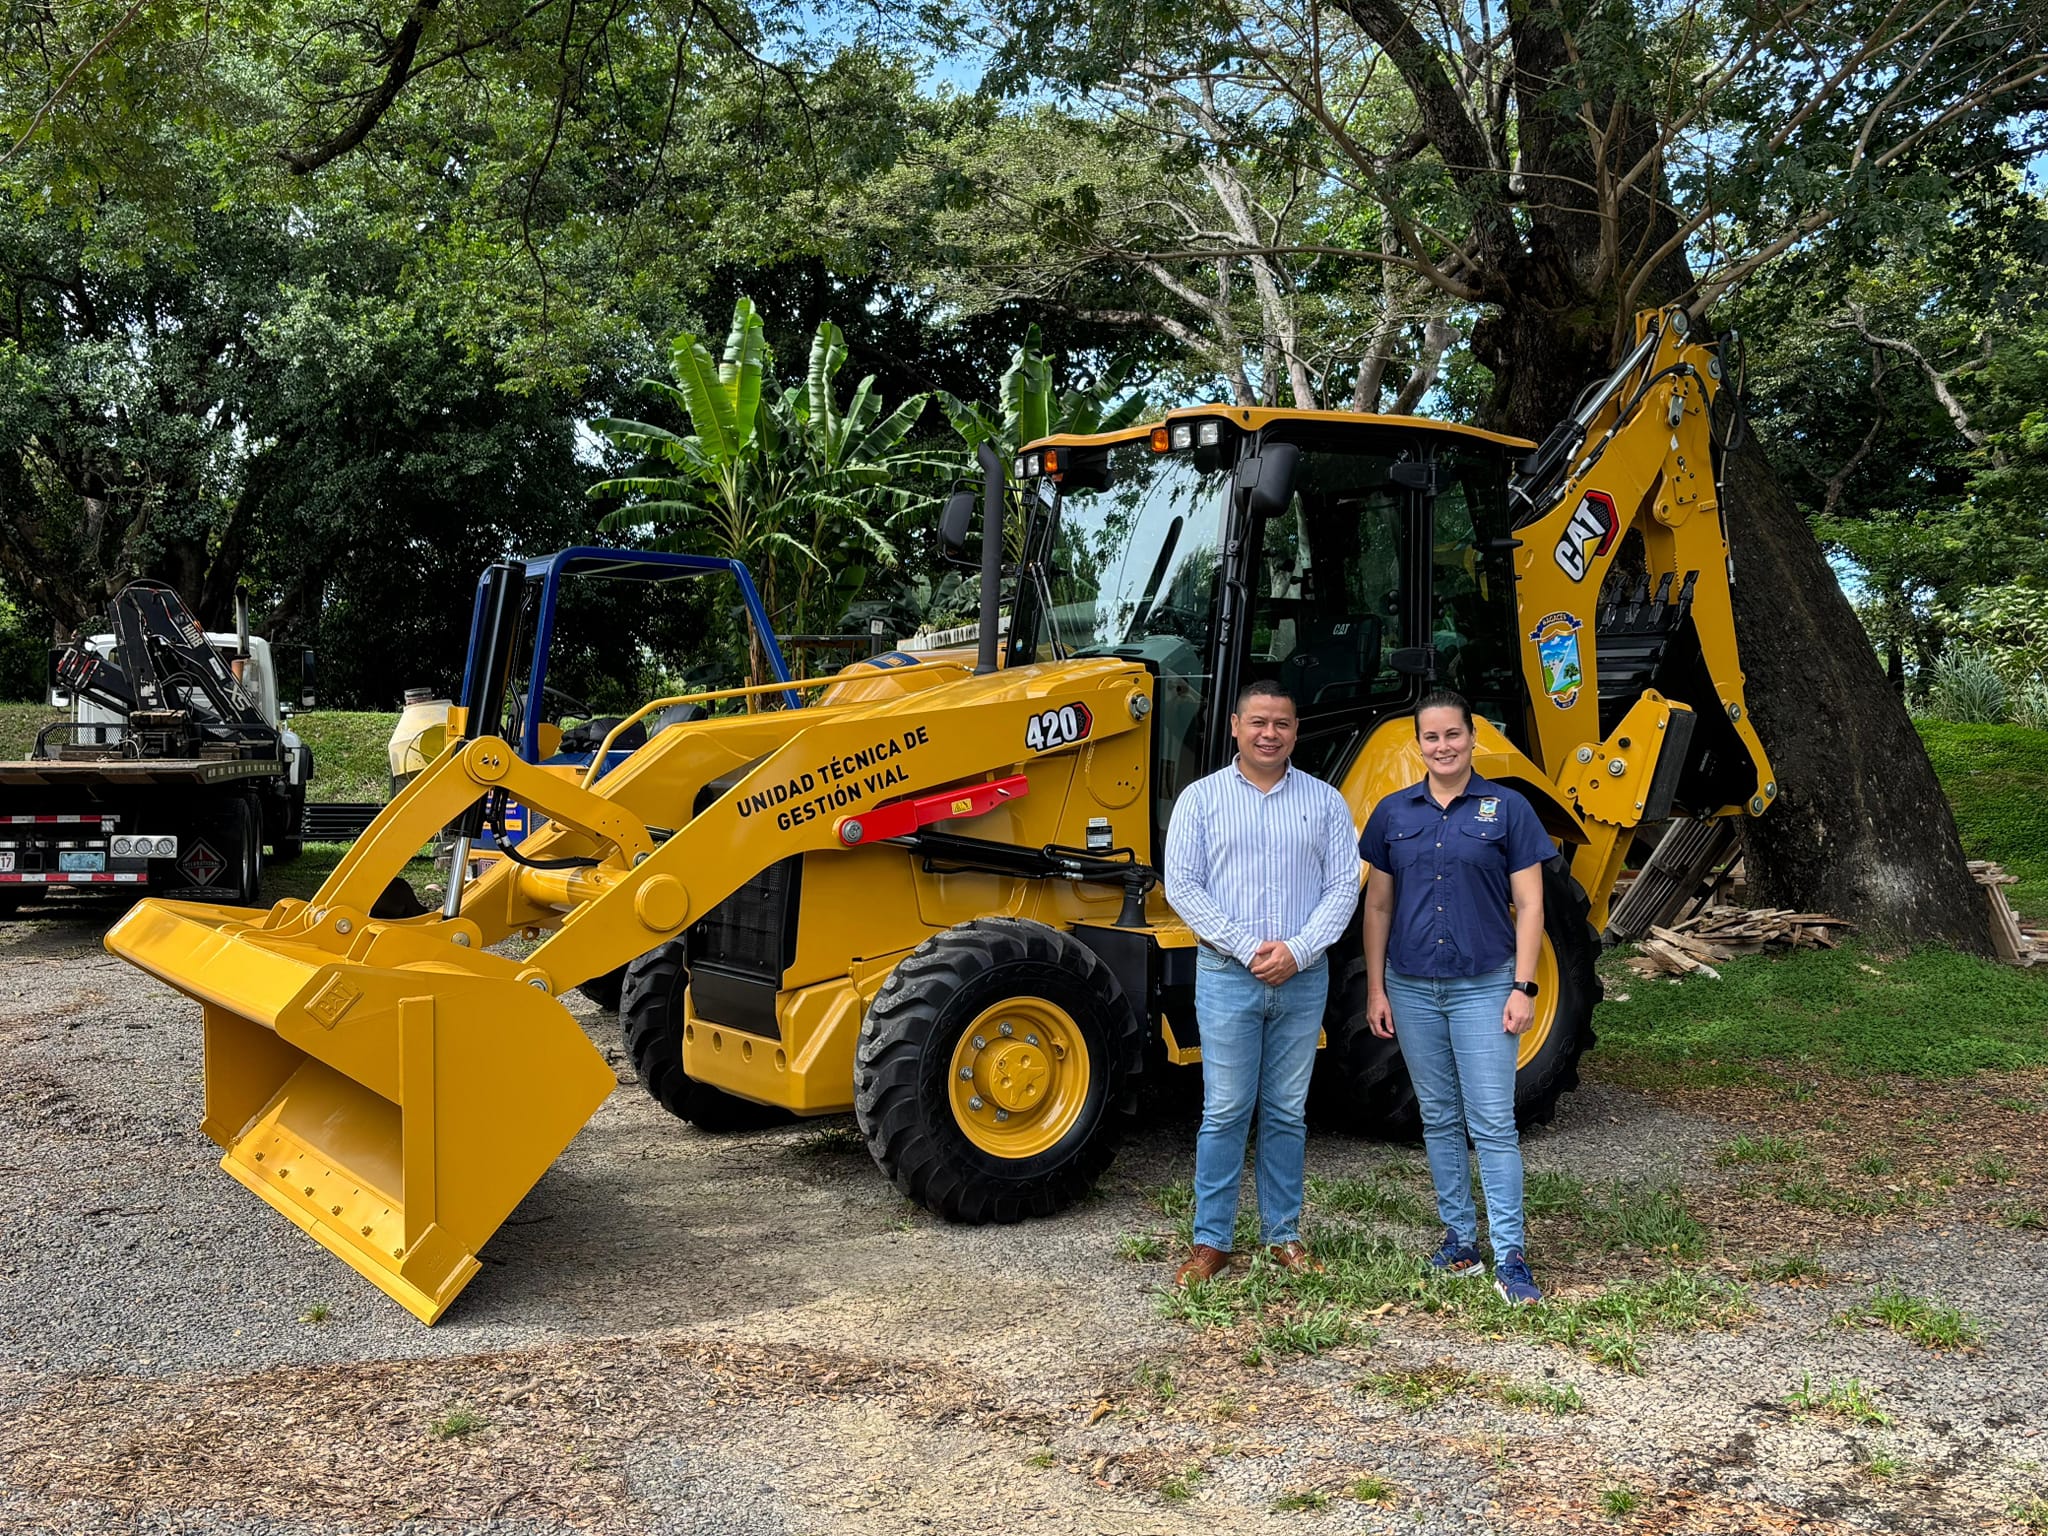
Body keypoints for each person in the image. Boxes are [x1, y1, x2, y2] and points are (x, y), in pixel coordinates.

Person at [1162, 679, 1361, 1286]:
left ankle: (1284, 1235)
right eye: (1258, 722)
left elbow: (1343, 886)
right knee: (1224, 1109)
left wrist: (1297, 950)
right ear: (1234, 726)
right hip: (1228, 976)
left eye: (1281, 723)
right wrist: (1252, 950)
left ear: (1295, 731)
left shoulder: (1326, 802)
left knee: (1286, 1111)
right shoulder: (1199, 800)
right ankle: (1211, 1242)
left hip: (1303, 979)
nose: (1269, 733)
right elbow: (1183, 888)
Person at [1357, 689, 1552, 1306]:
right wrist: (1376, 987)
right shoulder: (1392, 814)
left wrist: (1523, 986)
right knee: (1438, 1117)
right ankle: (1460, 1239)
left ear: (1473, 738)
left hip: (1485, 987)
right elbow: (1379, 905)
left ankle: (1512, 1254)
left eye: (1453, 735)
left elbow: (1531, 905)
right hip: (1412, 989)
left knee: (1492, 1122)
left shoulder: (1509, 809)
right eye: (1431, 737)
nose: (1443, 746)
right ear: (1418, 745)